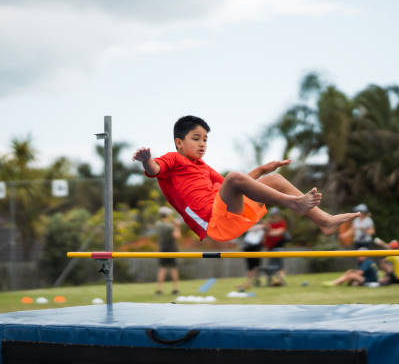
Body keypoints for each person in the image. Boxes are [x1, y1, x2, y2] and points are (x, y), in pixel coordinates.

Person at [133, 115, 359, 244]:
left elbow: (234, 187)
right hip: (213, 223)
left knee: (276, 180)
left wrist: (262, 170)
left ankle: (324, 221)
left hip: (226, 212)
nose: (202, 144)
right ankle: (294, 203)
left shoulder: (203, 167)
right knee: (234, 178)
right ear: (179, 142)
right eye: (196, 138)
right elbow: (154, 170)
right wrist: (146, 161)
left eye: (205, 139)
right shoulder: (173, 159)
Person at [155, 206, 181, 295]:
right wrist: (177, 226)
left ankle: (159, 290)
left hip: (162, 248)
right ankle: (175, 289)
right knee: (173, 268)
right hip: (171, 248)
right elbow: (177, 236)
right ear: (168, 215)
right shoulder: (170, 226)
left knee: (162, 268)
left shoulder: (158, 224)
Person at [262, 207, 289, 286]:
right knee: (270, 266)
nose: (274, 216)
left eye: (275, 214)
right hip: (270, 248)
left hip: (278, 247)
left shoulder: (281, 222)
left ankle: (280, 280)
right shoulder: (268, 223)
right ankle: (271, 281)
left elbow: (276, 233)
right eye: (273, 214)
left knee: (279, 266)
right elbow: (265, 237)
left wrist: (268, 230)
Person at [237, 223, 264, 291]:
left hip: (255, 247)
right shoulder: (250, 225)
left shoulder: (261, 226)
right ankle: (249, 281)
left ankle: (255, 280)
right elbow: (245, 229)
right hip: (248, 246)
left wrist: (255, 228)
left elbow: (261, 227)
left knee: (256, 265)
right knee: (249, 265)